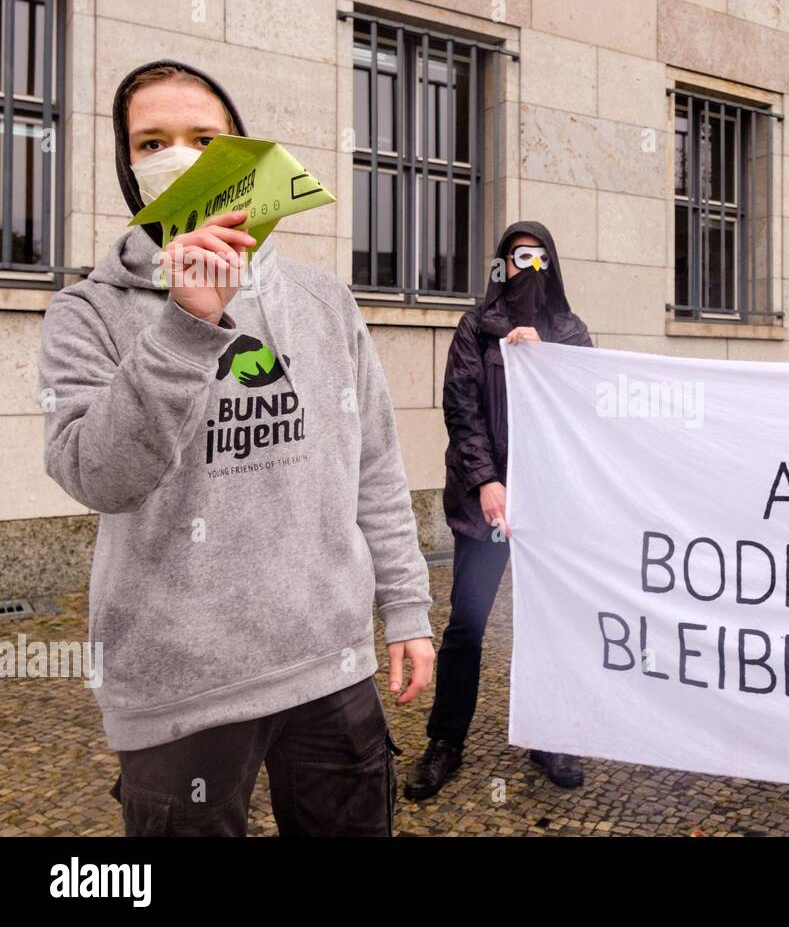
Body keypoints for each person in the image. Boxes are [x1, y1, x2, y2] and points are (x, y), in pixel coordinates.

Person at [37, 60, 434, 836]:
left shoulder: (325, 301)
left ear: (242, 153)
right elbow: (96, 473)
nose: (178, 156)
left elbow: (375, 467)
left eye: (203, 137)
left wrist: (407, 607)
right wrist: (186, 323)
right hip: (179, 688)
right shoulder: (85, 313)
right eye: (152, 140)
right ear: (128, 167)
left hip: (330, 664)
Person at [404, 221, 592, 799]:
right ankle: (446, 741)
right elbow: (460, 407)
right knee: (466, 625)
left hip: (547, 506)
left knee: (547, 626)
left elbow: (588, 408)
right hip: (483, 505)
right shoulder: (476, 327)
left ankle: (548, 735)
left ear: (550, 264)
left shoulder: (570, 331)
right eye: (516, 256)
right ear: (501, 266)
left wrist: (549, 360)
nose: (525, 266)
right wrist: (486, 480)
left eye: (537, 256)